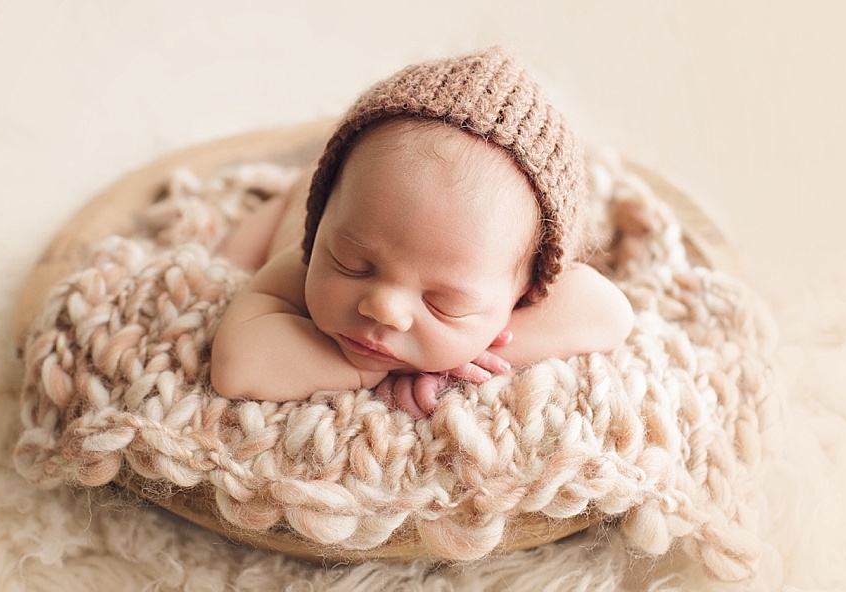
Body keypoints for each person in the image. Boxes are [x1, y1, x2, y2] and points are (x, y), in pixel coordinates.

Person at [209, 49, 634, 418]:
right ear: (320, 224)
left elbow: (610, 313)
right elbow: (237, 365)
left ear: (523, 295)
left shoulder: (514, 273)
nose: (384, 308)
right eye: (352, 264)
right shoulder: (298, 266)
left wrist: (468, 352)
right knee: (224, 264)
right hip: (294, 194)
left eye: (444, 303)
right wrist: (376, 369)